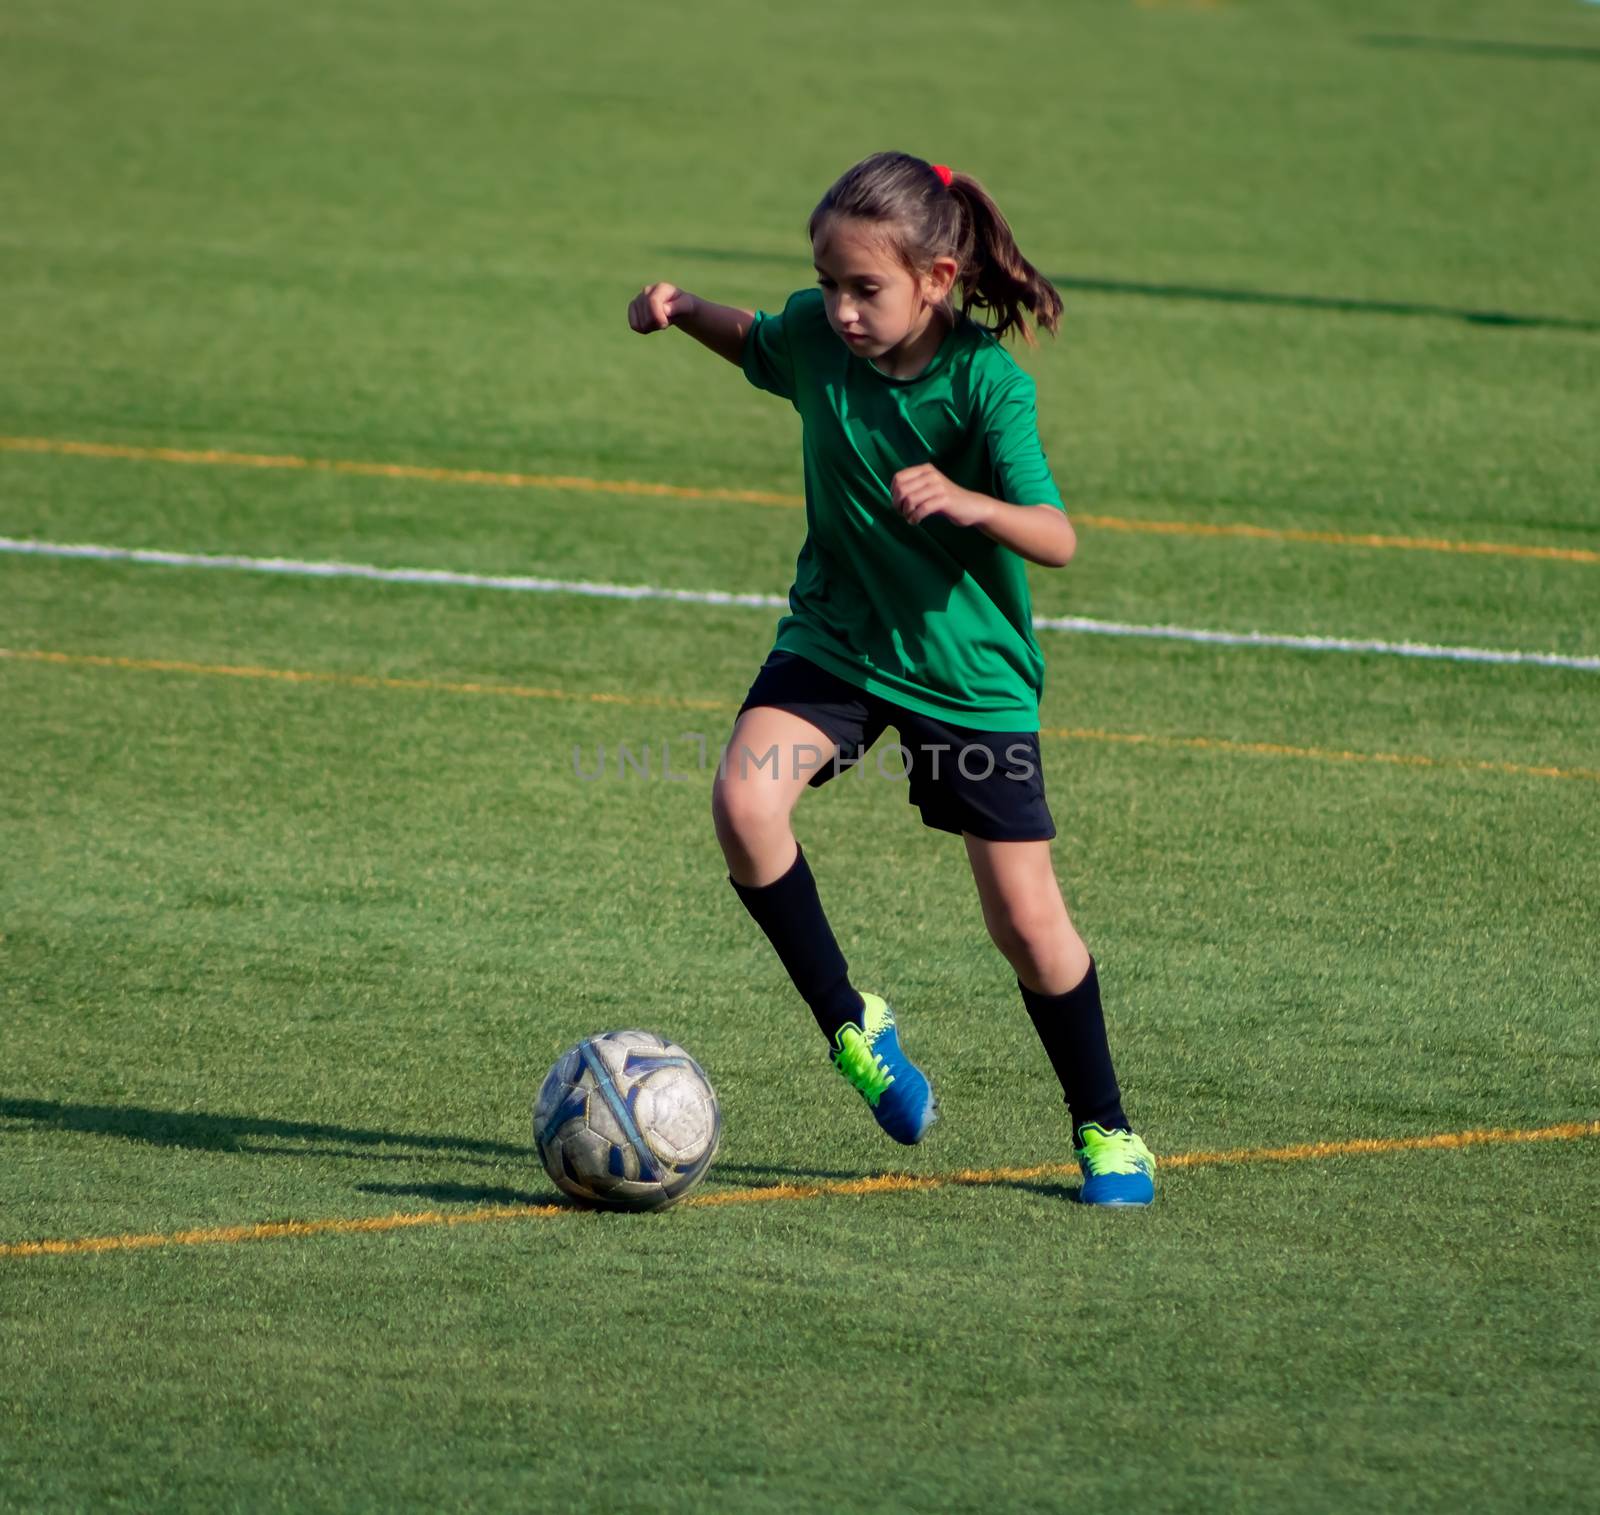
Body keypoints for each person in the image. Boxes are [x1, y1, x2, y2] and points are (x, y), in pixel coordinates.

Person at [627, 151, 1155, 1205]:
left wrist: (973, 505)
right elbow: (758, 342)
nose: (842, 309)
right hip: (838, 644)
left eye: (864, 287)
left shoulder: (986, 385)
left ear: (938, 279)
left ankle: (1107, 1131)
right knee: (743, 799)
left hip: (968, 678)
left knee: (1023, 923)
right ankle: (853, 1027)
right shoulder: (818, 341)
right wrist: (682, 309)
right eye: (828, 283)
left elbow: (1054, 537)